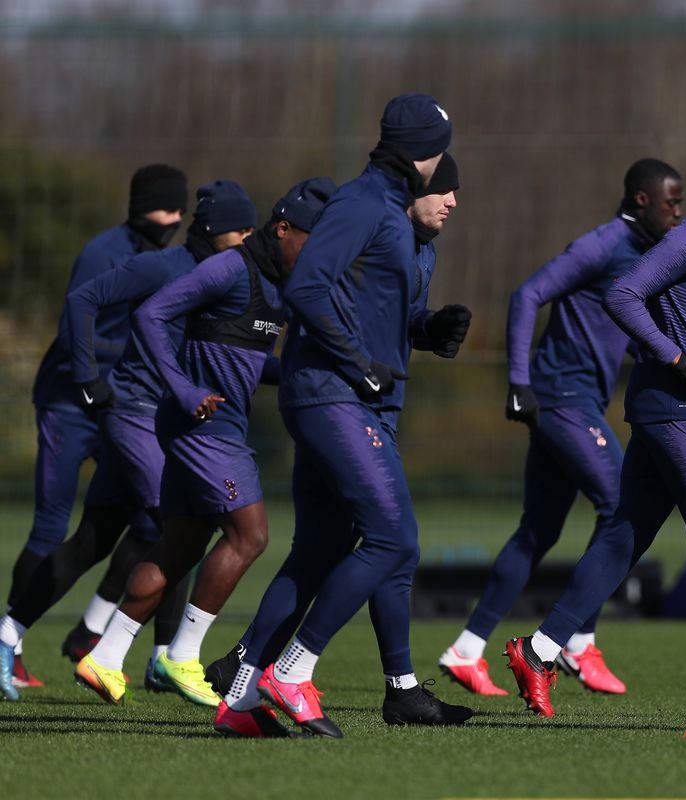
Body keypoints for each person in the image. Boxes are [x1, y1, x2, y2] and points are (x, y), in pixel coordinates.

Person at [504, 140, 686, 718]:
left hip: (674, 403)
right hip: (675, 407)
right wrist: (673, 359)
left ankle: (537, 651)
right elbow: (623, 294)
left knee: (623, 537)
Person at [220, 94, 472, 738]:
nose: (445, 181)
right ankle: (293, 671)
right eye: (441, 151)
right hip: (333, 395)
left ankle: (240, 700)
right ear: (423, 151)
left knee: (323, 547)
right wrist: (359, 362)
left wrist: (427, 328)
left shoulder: (387, 211)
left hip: (347, 395)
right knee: (393, 539)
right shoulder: (363, 203)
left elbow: (367, 304)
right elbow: (305, 288)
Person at [70, 180, 334, 715]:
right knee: (251, 534)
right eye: (312, 239)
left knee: (181, 544)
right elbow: (151, 316)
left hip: (216, 423)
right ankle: (183, 654)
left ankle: (107, 654)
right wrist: (183, 388)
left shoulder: (277, 282)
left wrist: (303, 373)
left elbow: (242, 356)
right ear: (282, 229)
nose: (317, 254)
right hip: (202, 425)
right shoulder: (229, 267)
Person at [0, 180, 257, 704]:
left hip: (155, 416)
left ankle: (8, 635)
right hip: (136, 413)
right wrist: (89, 376)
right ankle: (163, 656)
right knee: (183, 523)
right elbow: (83, 299)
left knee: (95, 537)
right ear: (213, 231)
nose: (250, 238)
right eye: (242, 230)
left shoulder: (231, 275)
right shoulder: (167, 266)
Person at [438, 159, 684, 697]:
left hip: (578, 400)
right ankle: (576, 641)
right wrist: (518, 381)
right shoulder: (602, 245)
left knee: (538, 531)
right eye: (671, 203)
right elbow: (527, 293)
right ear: (641, 200)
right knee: (622, 506)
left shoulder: (646, 257)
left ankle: (466, 650)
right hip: (559, 398)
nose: (678, 213)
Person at [0, 165, 185, 694]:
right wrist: (99, 376)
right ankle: (10, 644)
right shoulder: (104, 253)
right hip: (70, 402)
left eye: (180, 211)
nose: (174, 220)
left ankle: (97, 631)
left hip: (121, 406)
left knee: (149, 524)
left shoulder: (169, 262)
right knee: (51, 526)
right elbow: (72, 324)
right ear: (142, 207)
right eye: (167, 209)